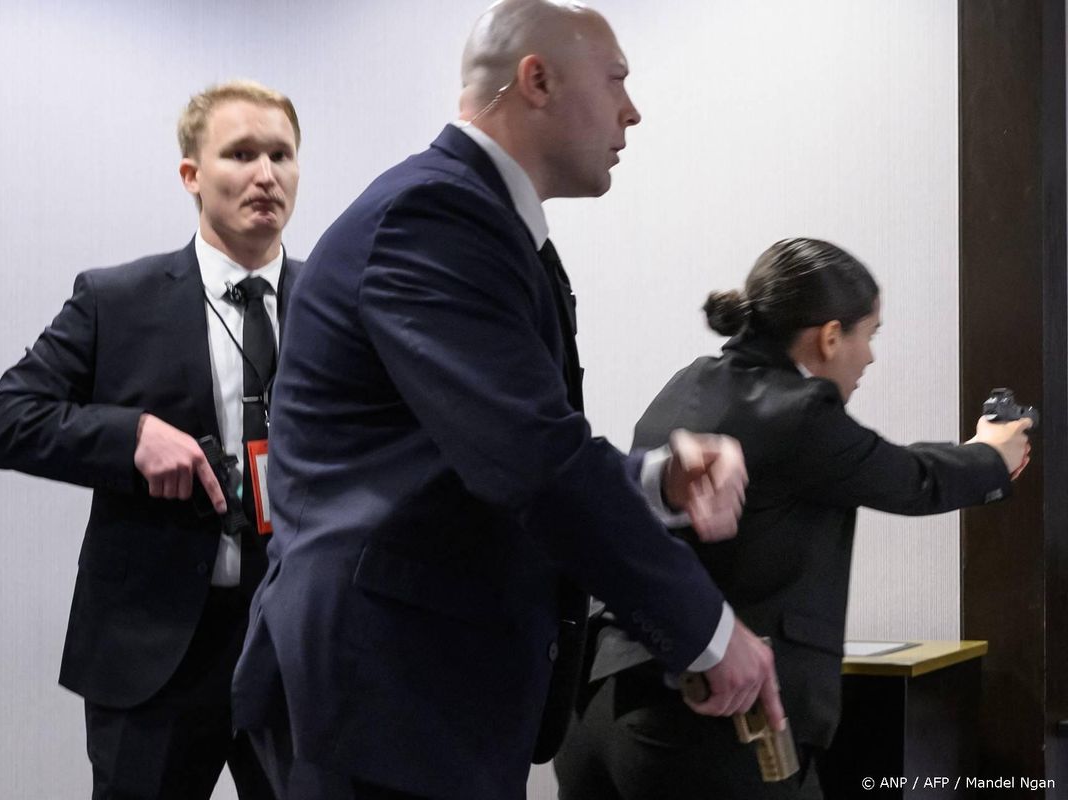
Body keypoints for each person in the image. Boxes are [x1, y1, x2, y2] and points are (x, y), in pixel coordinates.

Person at [231, 2, 785, 798]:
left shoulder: (476, 218)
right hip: (381, 695)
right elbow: (533, 460)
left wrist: (654, 478)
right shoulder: (434, 216)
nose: (632, 110)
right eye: (616, 79)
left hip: (416, 692)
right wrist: (707, 631)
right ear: (537, 80)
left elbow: (484, 450)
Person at [553, 237, 1032, 800]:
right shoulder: (801, 412)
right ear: (829, 337)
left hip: (598, 708)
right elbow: (910, 478)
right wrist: (991, 454)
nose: (871, 357)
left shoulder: (689, 381)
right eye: (869, 335)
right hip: (708, 727)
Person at [0, 80, 304, 800]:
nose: (265, 175)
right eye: (241, 154)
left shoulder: (340, 303)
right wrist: (131, 437)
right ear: (191, 174)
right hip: (154, 656)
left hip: (299, 651)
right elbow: (0, 420)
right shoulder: (115, 300)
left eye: (281, 155)